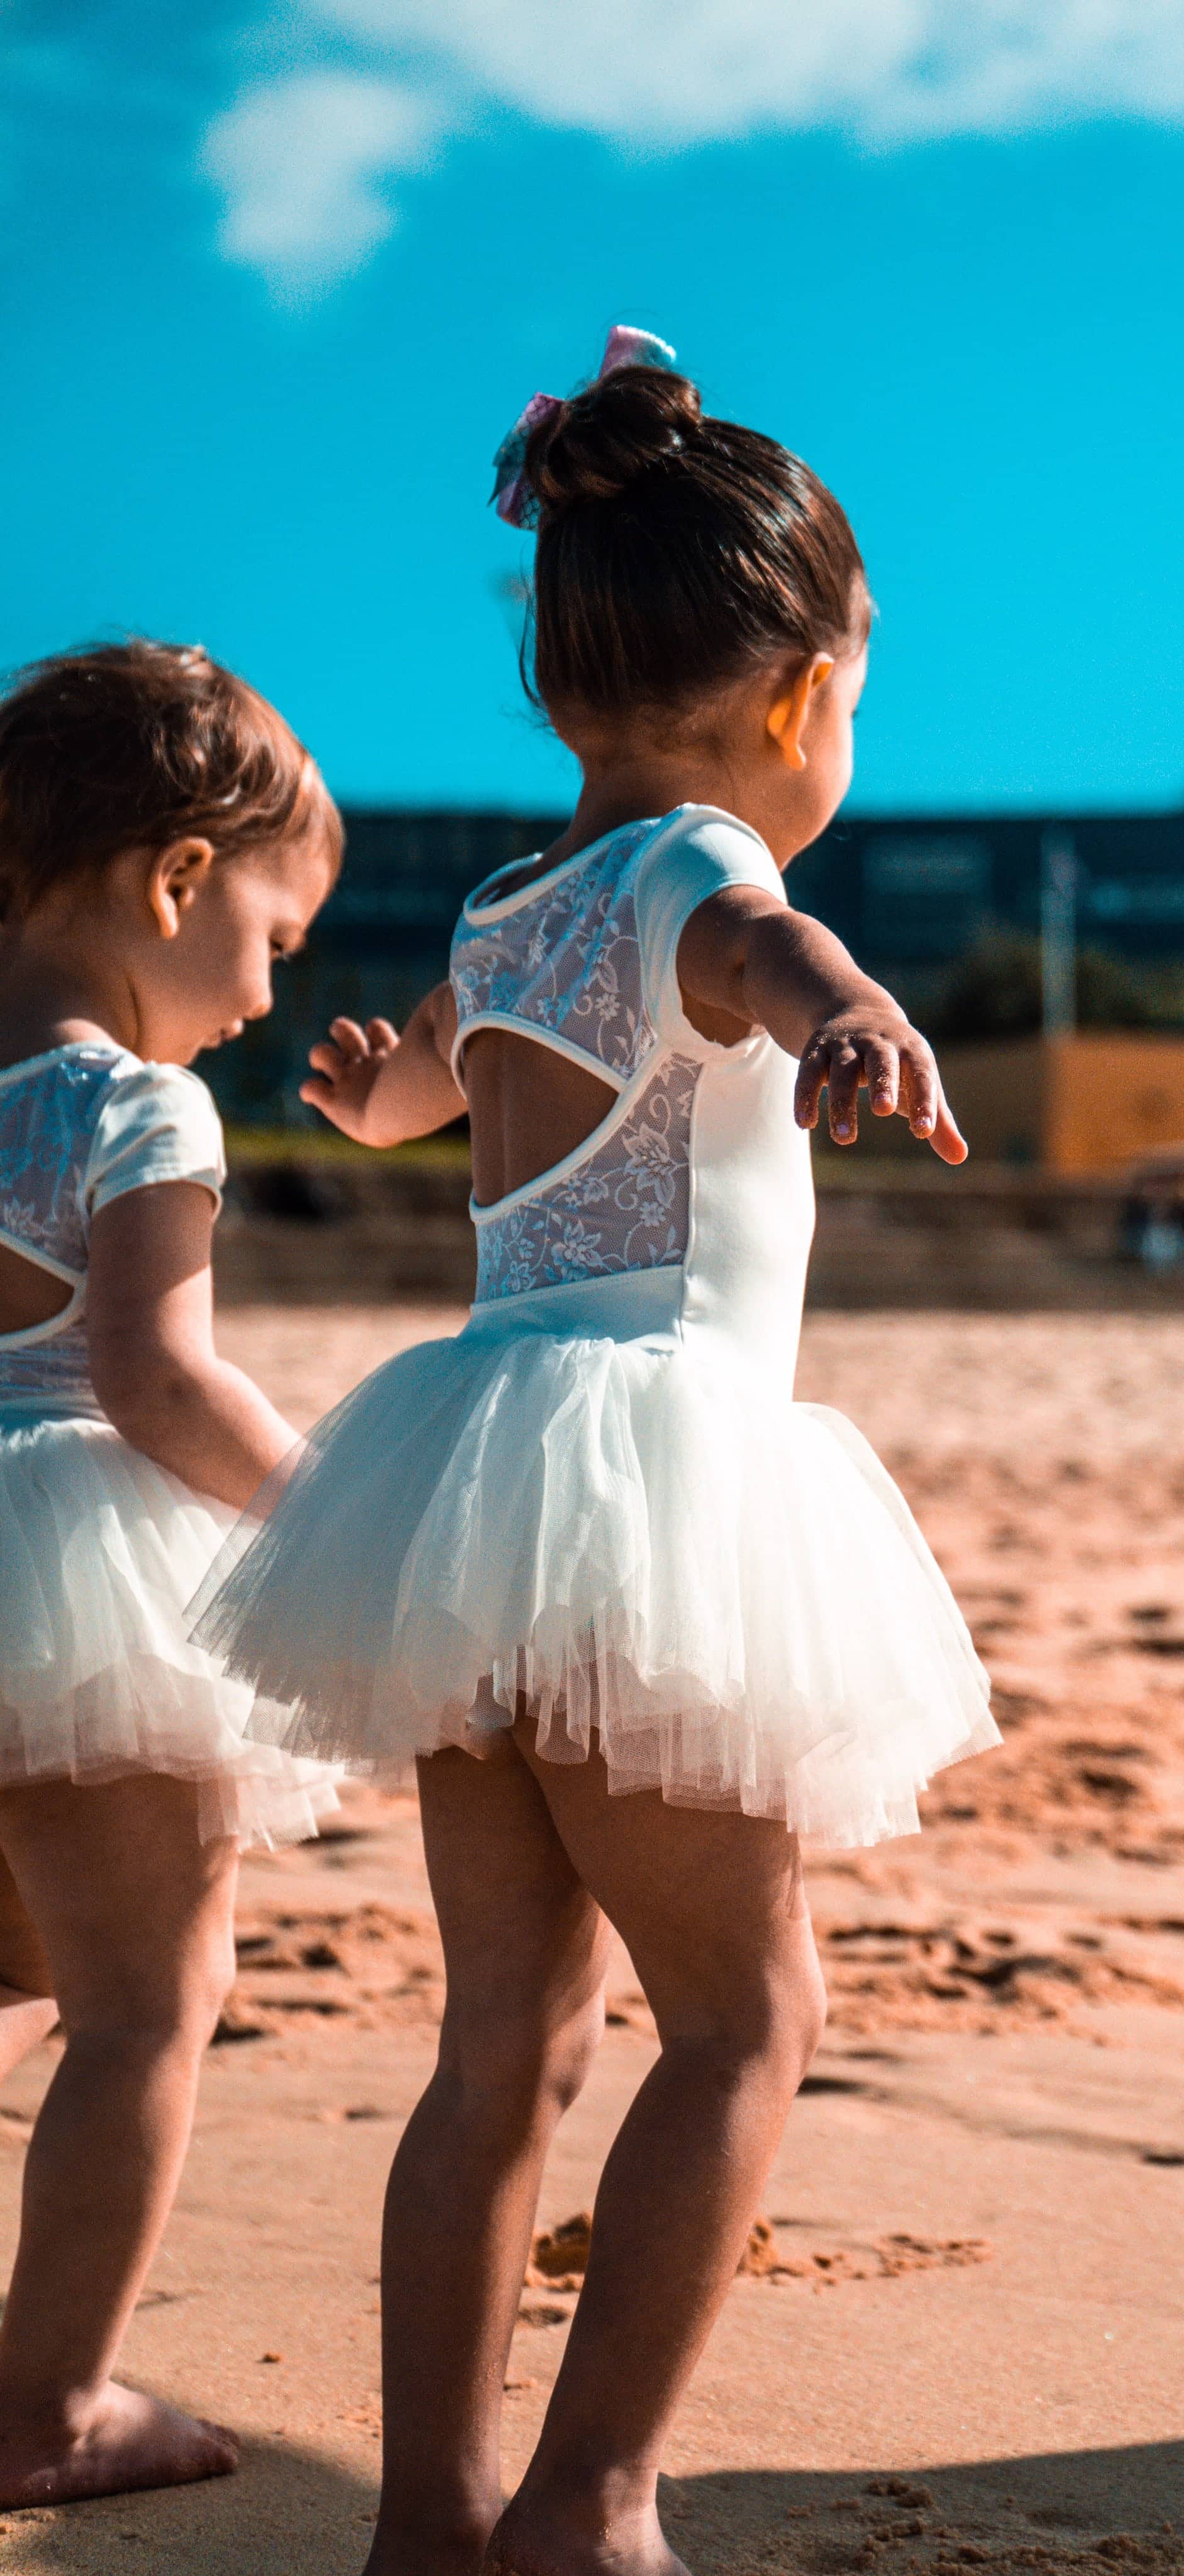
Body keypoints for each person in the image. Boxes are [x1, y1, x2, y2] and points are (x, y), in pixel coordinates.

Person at [197, 327, 999, 2576]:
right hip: (656, 1493)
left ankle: (432, 2522)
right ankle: (592, 2509)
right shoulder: (693, 873)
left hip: (468, 1503)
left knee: (502, 2045)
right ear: (805, 692)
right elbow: (762, 941)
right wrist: (847, 1009)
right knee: (746, 2020)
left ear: (558, 681)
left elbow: (450, 1079)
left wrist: (373, 1100)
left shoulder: (496, 918)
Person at [0, 641, 345, 2508]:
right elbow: (154, 1378)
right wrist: (327, 1520)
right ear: (180, 879)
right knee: (140, 2002)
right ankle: (43, 2406)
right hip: (71, 1583)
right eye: (275, 938)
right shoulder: (133, 1107)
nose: (265, 991)